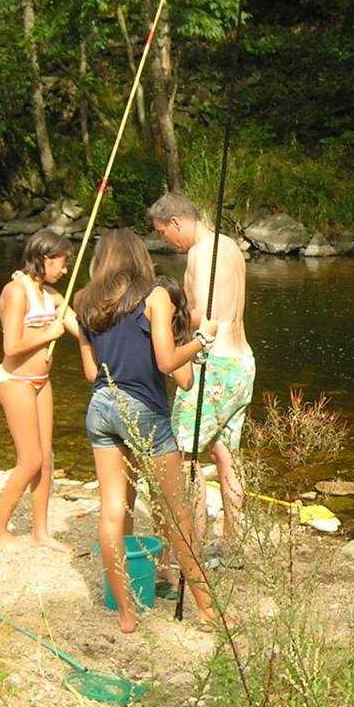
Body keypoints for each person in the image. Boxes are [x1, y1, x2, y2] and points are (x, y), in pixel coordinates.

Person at [73, 228, 223, 633]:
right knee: (178, 518)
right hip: (144, 412)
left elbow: (91, 373)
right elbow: (165, 361)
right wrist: (201, 340)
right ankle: (208, 613)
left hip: (102, 408)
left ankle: (125, 614)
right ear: (139, 256)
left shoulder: (84, 301)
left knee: (111, 511)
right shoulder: (154, 296)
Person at [148, 193, 256, 558]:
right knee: (226, 453)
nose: (165, 241)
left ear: (176, 222)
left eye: (163, 233)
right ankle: (232, 544)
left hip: (215, 365)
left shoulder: (199, 253)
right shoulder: (230, 247)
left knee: (184, 457)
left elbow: (201, 316)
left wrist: (157, 315)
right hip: (243, 361)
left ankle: (188, 548)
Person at [0, 229, 82, 553]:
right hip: (15, 382)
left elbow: (81, 330)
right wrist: (48, 333)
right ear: (45, 258)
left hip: (42, 383)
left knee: (46, 458)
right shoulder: (16, 292)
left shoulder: (52, 296)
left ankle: (40, 532)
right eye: (62, 263)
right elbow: (11, 346)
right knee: (29, 459)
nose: (65, 270)